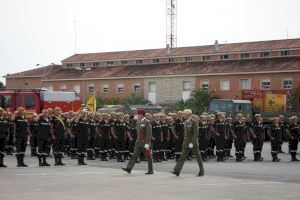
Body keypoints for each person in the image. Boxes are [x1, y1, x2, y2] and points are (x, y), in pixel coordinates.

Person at [171, 109, 204, 177]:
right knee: (182, 157)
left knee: (198, 157)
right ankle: (177, 171)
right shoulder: (185, 122)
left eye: (184, 114)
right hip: (186, 143)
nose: (183, 115)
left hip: (193, 143)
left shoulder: (194, 122)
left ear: (188, 115)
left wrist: (192, 143)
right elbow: (186, 134)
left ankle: (201, 171)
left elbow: (196, 133)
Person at [122, 109, 153, 175]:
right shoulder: (138, 121)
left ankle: (151, 170)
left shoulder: (147, 122)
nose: (137, 115)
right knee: (134, 155)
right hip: (138, 142)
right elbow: (131, 126)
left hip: (145, 142)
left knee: (148, 156)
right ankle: (129, 168)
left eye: (138, 114)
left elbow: (149, 134)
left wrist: (147, 144)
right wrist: (134, 120)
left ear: (141, 114)